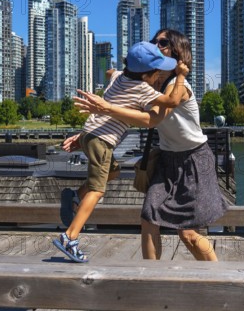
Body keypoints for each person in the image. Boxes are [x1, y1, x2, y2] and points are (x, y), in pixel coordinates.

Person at [70, 29, 228, 262]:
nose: (156, 44)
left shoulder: (178, 86)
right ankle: (150, 276)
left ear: (177, 51)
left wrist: (105, 107)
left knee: (188, 233)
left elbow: (150, 119)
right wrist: (87, 134)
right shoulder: (145, 83)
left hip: (194, 159)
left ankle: (218, 278)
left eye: (163, 42)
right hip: (167, 159)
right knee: (149, 218)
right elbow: (124, 108)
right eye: (154, 41)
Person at [53, 41, 190, 262]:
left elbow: (109, 71)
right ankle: (69, 237)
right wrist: (181, 75)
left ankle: (74, 197)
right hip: (102, 140)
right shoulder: (142, 89)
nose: (159, 75)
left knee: (112, 173)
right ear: (146, 75)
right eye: (157, 72)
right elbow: (173, 100)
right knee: (97, 191)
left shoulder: (118, 76)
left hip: (88, 133)